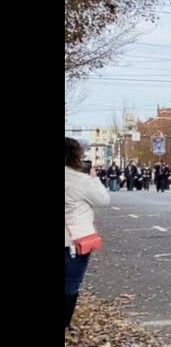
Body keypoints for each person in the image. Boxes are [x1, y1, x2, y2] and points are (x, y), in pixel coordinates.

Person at [66, 137, 110, 332]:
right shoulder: (81, 180)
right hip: (75, 240)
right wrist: (95, 178)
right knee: (71, 285)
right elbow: (103, 200)